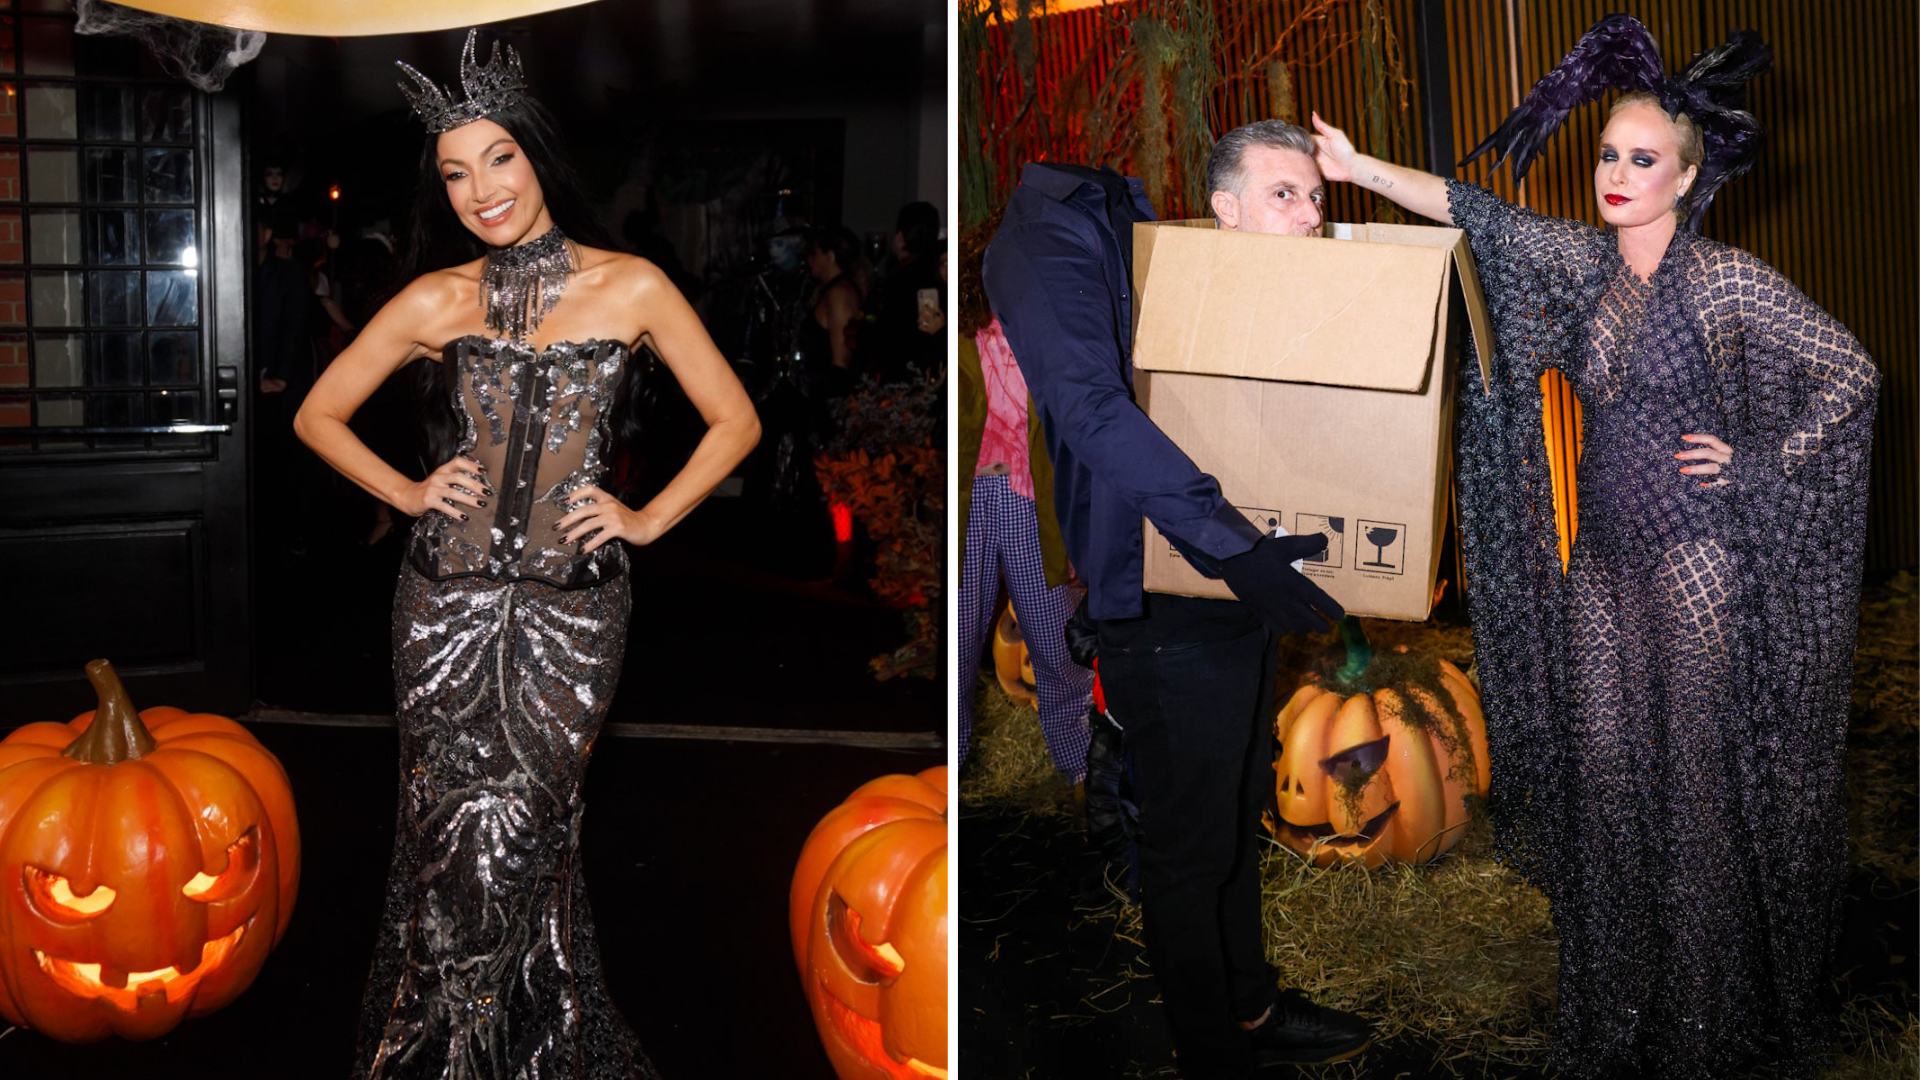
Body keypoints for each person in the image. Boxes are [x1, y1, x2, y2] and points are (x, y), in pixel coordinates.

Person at [1309, 15, 1878, 1078]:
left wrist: (1760, 461)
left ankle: (1703, 1036)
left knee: (1694, 798)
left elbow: (1853, 374)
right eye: (1609, 154)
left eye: (1642, 159)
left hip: (1699, 565)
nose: (1617, 174)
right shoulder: (1589, 271)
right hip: (1603, 568)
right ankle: (1620, 1017)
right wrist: (1357, 169)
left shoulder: (1723, 283)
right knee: (1611, 789)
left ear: (1689, 175)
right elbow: (1479, 212)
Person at [294, 31, 758, 1076]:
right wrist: (408, 491)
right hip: (441, 605)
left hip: (575, 610)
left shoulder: (632, 286)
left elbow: (736, 422)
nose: (479, 189)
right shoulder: (431, 301)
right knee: (444, 834)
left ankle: (530, 1042)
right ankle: (454, 1048)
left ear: (537, 153)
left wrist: (645, 518)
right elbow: (318, 416)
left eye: (496, 157)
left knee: (533, 829)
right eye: (455, 172)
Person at [983, 136, 1373, 1079]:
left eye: (1312, 195)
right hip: (1163, 587)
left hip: (1229, 569)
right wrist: (1233, 546)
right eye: (1287, 192)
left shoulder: (1156, 236)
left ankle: (1250, 1008)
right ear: (1228, 204)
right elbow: (1090, 410)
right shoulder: (1043, 243)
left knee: (1236, 808)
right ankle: (1211, 1049)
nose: (1310, 213)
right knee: (1190, 840)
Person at [956, 208, 1091, 786]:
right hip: (969, 498)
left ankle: (1083, 774)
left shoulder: (1055, 337)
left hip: (1029, 500)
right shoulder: (960, 336)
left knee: (1056, 649)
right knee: (959, 648)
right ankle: (948, 780)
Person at [802, 225, 867, 396]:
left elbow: (841, 362)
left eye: (814, 253)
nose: (809, 260)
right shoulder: (830, 290)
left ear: (830, 256)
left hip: (831, 398)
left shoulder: (839, 294)